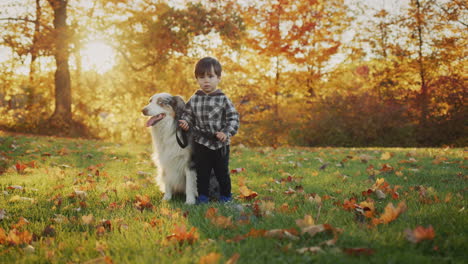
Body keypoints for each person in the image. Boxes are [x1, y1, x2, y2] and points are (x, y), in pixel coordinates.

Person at [179, 57, 240, 204]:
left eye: (210, 76)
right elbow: (187, 115)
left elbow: (233, 118)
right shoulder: (195, 98)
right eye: (202, 77)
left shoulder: (223, 99)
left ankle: (225, 196)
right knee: (202, 172)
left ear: (218, 78)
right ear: (197, 79)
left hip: (220, 143)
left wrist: (226, 132)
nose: (206, 81)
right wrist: (186, 122)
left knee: (222, 172)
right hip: (201, 142)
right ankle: (203, 196)